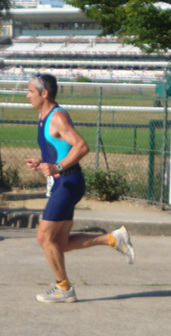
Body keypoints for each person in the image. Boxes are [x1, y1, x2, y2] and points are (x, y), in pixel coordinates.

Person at [25, 73, 135, 303]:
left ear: (44, 94)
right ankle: (113, 239)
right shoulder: (43, 117)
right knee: (60, 243)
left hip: (68, 182)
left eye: (30, 92)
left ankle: (63, 288)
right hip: (63, 182)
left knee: (44, 238)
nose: (27, 96)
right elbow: (58, 149)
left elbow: (82, 146)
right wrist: (43, 162)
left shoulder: (57, 117)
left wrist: (57, 166)